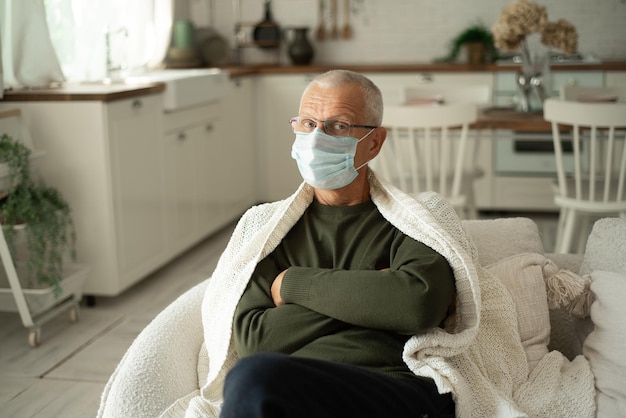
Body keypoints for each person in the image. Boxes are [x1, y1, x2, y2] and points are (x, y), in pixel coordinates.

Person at [219, 69, 457, 417]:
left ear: (373, 142)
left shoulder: (415, 219)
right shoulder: (266, 229)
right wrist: (374, 296)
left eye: (338, 126)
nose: (316, 138)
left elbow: (416, 306)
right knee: (252, 376)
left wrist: (292, 283)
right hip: (296, 390)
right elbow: (256, 340)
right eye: (307, 123)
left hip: (395, 388)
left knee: (252, 380)